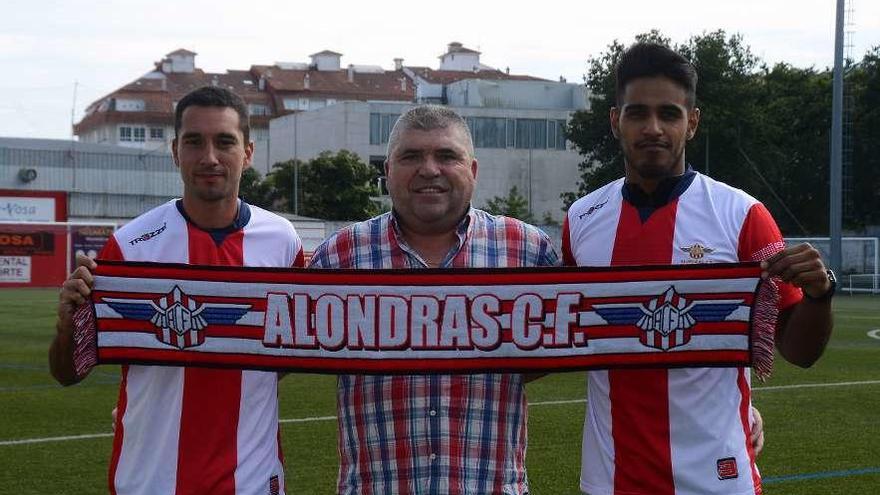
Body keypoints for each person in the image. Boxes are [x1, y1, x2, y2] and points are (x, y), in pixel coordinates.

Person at [562, 42, 834, 495]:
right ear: (615, 121)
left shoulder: (743, 215)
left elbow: (798, 351)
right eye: (637, 113)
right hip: (610, 479)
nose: (652, 128)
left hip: (719, 478)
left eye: (669, 113)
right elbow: (564, 335)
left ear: (692, 123)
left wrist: (820, 294)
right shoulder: (582, 220)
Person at [49, 86, 304, 495]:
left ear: (248, 152)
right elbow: (67, 373)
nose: (209, 157)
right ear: (174, 151)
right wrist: (67, 327)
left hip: (252, 482)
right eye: (194, 142)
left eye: (225, 142)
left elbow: (289, 349)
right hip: (150, 480)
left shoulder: (282, 240)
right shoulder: (131, 245)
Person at [308, 105, 559, 494]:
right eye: (411, 156)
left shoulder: (528, 251)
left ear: (472, 171)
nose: (429, 169)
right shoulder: (337, 258)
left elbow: (558, 347)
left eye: (446, 156)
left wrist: (486, 360)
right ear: (388, 171)